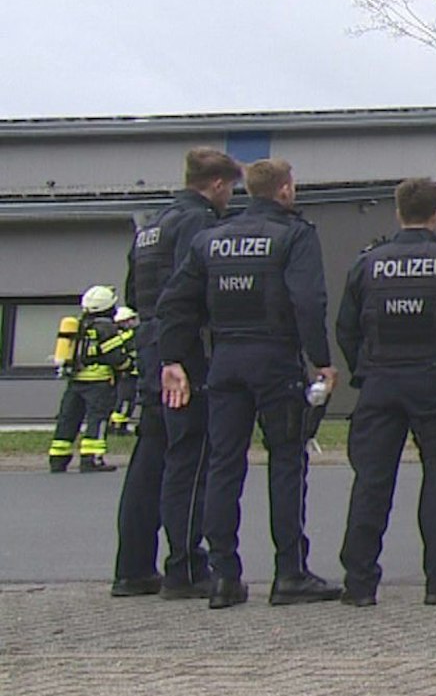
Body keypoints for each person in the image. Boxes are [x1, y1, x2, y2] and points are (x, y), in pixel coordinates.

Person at [158, 158, 341, 609]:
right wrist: (321, 360)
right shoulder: (295, 235)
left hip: (225, 361)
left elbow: (175, 301)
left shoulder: (210, 238)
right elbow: (308, 300)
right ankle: (290, 573)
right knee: (287, 461)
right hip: (275, 360)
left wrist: (173, 358)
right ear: (284, 190)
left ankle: (224, 576)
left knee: (224, 464)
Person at [334, 178, 436, 608]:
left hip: (380, 382)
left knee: (371, 481)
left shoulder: (368, 263)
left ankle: (358, 583)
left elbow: (345, 328)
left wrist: (364, 371)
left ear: (398, 213)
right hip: (434, 382)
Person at [111, 148, 241, 599]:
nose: (230, 198)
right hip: (184, 351)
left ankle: (132, 568)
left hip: (151, 347)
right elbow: (194, 289)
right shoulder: (197, 223)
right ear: (218, 184)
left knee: (150, 459)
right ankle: (185, 568)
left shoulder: (152, 225)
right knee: (190, 454)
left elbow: (135, 293)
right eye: (231, 189)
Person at [50, 285, 133, 474]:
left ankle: (57, 458)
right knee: (98, 419)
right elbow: (116, 357)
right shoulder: (107, 328)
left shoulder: (78, 324)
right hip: (99, 383)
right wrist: (128, 365)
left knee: (68, 419)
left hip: (75, 381)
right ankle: (91, 459)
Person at [107, 307, 139, 436]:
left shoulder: (116, 335)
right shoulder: (129, 336)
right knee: (126, 400)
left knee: (119, 399)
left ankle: (115, 425)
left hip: (121, 373)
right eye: (131, 319)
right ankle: (119, 427)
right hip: (129, 374)